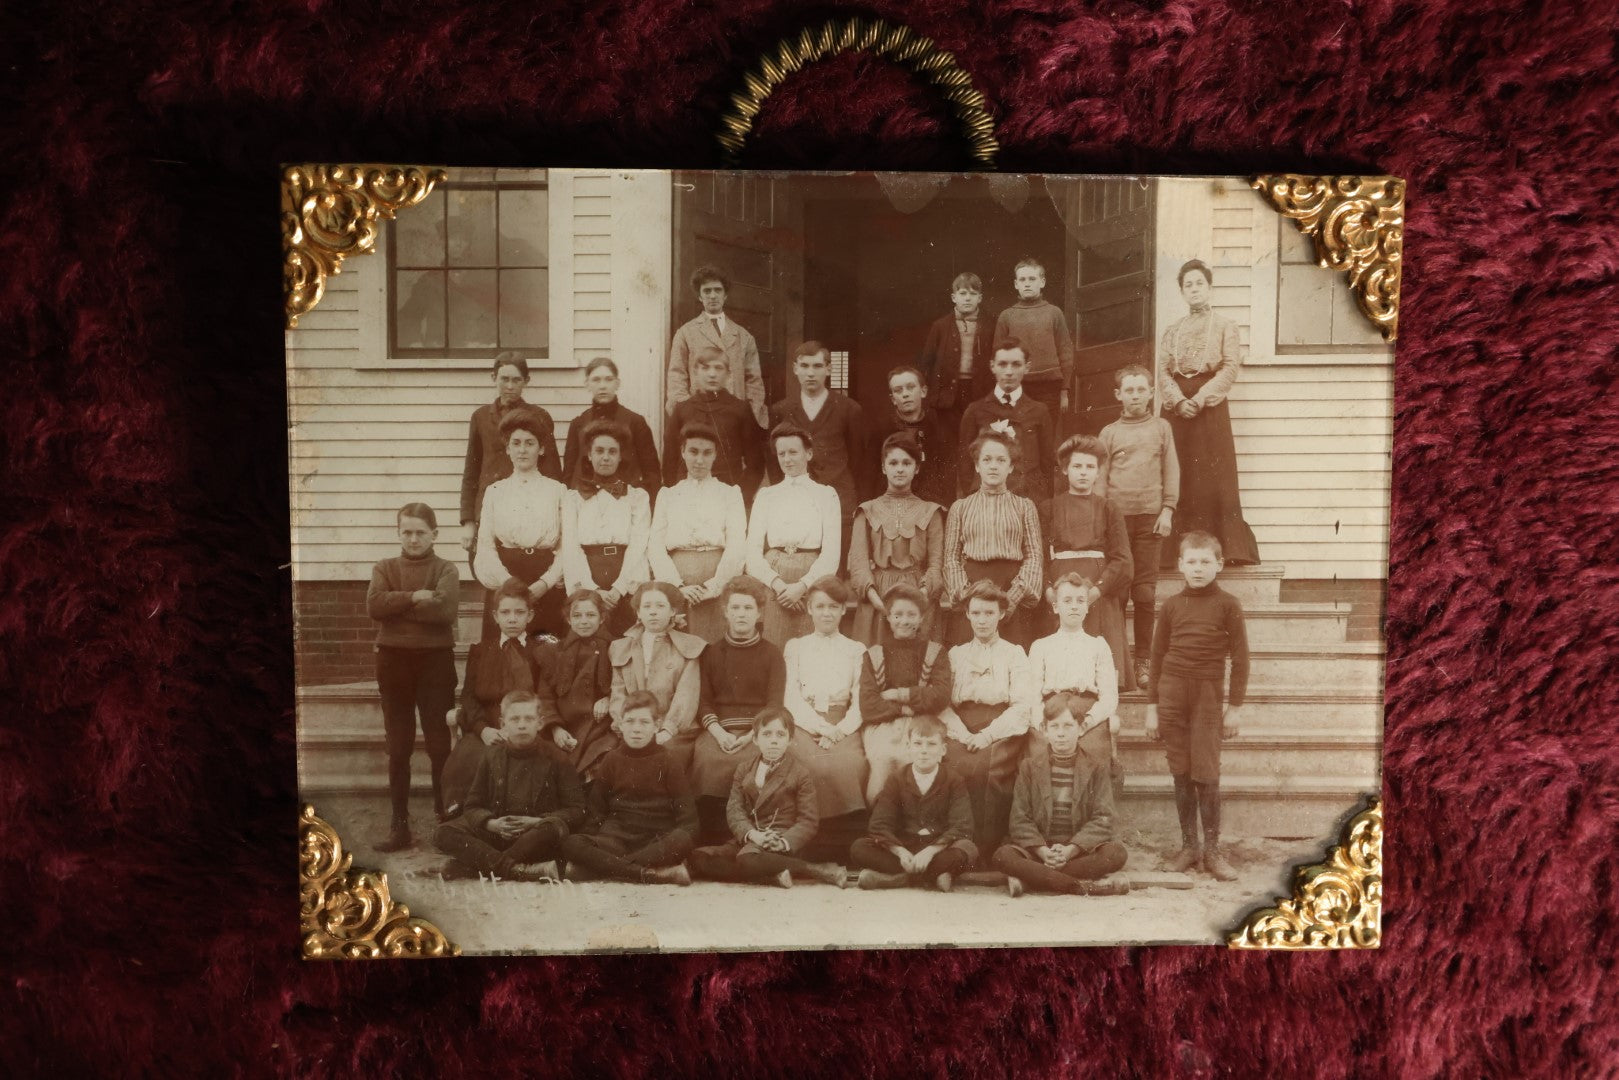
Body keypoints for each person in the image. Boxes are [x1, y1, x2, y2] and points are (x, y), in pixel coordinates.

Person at [1146, 531, 1250, 882]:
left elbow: (1241, 658)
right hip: (1172, 692)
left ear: (1219, 564)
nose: (1198, 568)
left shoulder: (1228, 605)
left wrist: (1234, 706)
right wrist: (1152, 707)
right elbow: (1157, 656)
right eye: (1191, 561)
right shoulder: (1172, 605)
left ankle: (1212, 850)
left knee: (1206, 773)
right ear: (1180, 565)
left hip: (1207, 694)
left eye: (1206, 561)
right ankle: (1189, 846)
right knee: (1180, 771)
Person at [367, 503, 460, 852]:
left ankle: (444, 818)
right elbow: (374, 606)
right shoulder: (385, 567)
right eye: (407, 531)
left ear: (434, 534)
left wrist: (399, 607)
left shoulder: (446, 568)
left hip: (435, 660)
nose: (414, 538)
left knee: (439, 744)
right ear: (398, 533)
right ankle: (399, 826)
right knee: (399, 745)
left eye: (421, 532)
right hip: (393, 661)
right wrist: (416, 597)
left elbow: (446, 610)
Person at [1158, 259, 1260, 567]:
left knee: (1213, 476)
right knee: (1178, 471)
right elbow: (1162, 370)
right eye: (1187, 285)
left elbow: (1229, 368)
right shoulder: (1172, 330)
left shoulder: (1226, 326)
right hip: (1177, 409)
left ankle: (1225, 549)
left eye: (1199, 283)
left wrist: (1200, 399)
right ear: (1182, 291)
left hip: (1209, 407)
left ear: (1209, 288)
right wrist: (1177, 401)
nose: (1194, 289)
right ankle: (1173, 552)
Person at [434, 690, 587, 881]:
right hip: (499, 832)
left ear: (539, 723)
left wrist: (536, 822)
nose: (522, 725)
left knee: (553, 828)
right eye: (515, 719)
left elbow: (577, 810)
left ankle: (477, 867)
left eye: (528, 719)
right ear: (502, 724)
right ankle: (521, 871)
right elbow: (472, 806)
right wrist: (491, 824)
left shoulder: (556, 758)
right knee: (444, 832)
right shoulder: (491, 756)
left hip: (534, 837)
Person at [689, 707, 847, 888]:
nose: (773, 741)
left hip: (778, 843)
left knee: (748, 860)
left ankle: (814, 869)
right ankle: (771, 877)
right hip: (751, 838)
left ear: (789, 740)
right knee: (697, 856)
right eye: (767, 734)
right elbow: (735, 810)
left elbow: (808, 821)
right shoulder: (744, 769)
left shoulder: (799, 773)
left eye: (780, 735)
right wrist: (753, 834)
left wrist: (783, 842)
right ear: (755, 739)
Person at [939, 580, 1038, 856]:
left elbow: (1021, 706)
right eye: (977, 613)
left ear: (1001, 615)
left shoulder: (1014, 654)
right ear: (967, 614)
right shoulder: (956, 655)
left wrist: (985, 736)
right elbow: (943, 705)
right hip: (962, 727)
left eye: (989, 613)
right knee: (952, 765)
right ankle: (954, 846)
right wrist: (962, 733)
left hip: (1001, 729)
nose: (982, 620)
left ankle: (984, 848)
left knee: (983, 769)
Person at [1097, 363, 1179, 689]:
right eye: (1128, 390)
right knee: (1116, 594)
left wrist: (1168, 509)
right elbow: (1100, 480)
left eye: (1140, 389)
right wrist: (1103, 519)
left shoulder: (1161, 429)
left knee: (1144, 594)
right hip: (1116, 523)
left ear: (1150, 392)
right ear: (1118, 395)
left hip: (1149, 520)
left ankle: (1144, 659)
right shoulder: (1109, 433)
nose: (1135, 395)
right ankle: (1117, 662)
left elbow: (1171, 470)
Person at [993, 699, 1129, 896]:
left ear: (1081, 728)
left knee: (1116, 854)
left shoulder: (1097, 768)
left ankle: (1031, 880)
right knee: (1002, 856)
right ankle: (1089, 887)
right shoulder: (1029, 767)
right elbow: (1019, 819)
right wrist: (1042, 851)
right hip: (1039, 850)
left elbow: (1103, 818)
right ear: (1044, 730)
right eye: (1054, 726)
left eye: (1068, 726)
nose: (1061, 733)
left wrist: (1070, 850)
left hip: (1077, 851)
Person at [560, 690, 697, 885]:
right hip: (616, 840)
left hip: (654, 841)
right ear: (621, 725)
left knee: (682, 839)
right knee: (571, 843)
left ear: (656, 726)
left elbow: (689, 822)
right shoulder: (612, 759)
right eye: (630, 721)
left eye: (644, 722)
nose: (636, 729)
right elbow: (596, 813)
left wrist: (595, 859)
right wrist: (589, 845)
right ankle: (652, 874)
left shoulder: (669, 760)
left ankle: (604, 868)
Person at [442, 579, 553, 818]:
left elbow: (546, 696)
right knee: (470, 756)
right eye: (505, 612)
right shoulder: (481, 651)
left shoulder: (541, 651)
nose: (512, 618)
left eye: (519, 612)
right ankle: (468, 815)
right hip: (488, 724)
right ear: (495, 616)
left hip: (526, 724)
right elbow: (469, 699)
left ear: (530, 616)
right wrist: (483, 730)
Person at [690, 575, 787, 840]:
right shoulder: (711, 652)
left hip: (758, 730)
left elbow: (775, 702)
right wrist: (719, 734)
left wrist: (751, 737)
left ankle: (757, 834)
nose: (741, 614)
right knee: (708, 760)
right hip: (718, 729)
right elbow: (704, 701)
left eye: (748, 608)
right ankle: (714, 837)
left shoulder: (772, 653)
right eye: (735, 608)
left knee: (757, 763)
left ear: (758, 613)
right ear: (725, 612)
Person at [1042, 435, 1134, 689]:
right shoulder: (1049, 507)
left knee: (1099, 671)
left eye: (1090, 467)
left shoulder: (1108, 508)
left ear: (1098, 472)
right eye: (1077, 466)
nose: (1083, 473)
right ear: (1064, 470)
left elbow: (1122, 559)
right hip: (1060, 591)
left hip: (1097, 590)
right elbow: (1038, 554)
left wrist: (1098, 590)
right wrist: (1047, 589)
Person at [849, 714, 977, 891]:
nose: (924, 750)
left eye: (931, 744)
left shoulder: (954, 780)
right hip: (905, 847)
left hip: (938, 848)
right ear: (908, 747)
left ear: (943, 750)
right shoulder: (897, 779)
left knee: (968, 849)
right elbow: (879, 825)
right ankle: (932, 876)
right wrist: (900, 852)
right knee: (859, 848)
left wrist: (931, 851)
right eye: (917, 744)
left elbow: (962, 826)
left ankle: (898, 880)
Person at [783, 576, 870, 834]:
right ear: (809, 608)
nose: (827, 613)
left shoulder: (855, 649)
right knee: (810, 764)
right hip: (804, 723)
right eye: (820, 606)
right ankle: (807, 834)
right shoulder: (796, 647)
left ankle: (842, 835)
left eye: (833, 607)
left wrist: (840, 730)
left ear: (844, 609)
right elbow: (790, 697)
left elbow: (861, 699)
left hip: (843, 723)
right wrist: (821, 728)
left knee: (851, 763)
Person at [459, 353, 562, 572]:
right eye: (504, 379)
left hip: (528, 509)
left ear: (527, 381)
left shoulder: (540, 416)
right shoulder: (480, 417)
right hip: (488, 508)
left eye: (516, 380)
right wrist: (468, 521)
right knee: (491, 570)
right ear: (493, 377)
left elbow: (552, 470)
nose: (510, 386)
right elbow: (471, 470)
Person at [472, 409, 569, 640]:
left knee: (546, 648)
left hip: (543, 579)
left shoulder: (558, 491)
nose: (522, 449)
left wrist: (545, 583)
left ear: (542, 448)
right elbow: (485, 545)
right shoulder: (495, 492)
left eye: (530, 443)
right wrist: (508, 584)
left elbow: (567, 545)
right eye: (516, 443)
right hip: (506, 577)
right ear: (507, 448)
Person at [648, 423, 750, 642]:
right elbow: (655, 546)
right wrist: (677, 586)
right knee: (678, 647)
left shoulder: (729, 494)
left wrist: (712, 587)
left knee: (713, 644)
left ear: (715, 456)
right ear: (683, 452)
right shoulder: (668, 495)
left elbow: (737, 546)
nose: (700, 460)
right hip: (676, 579)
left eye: (707, 453)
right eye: (693, 452)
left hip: (717, 579)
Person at [942, 430, 1044, 647]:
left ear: (1010, 467)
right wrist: (967, 596)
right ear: (977, 466)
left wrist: (1013, 597)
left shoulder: (1024, 506)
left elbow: (1034, 555)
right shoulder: (960, 508)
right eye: (986, 460)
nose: (993, 466)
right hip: (972, 587)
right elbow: (951, 558)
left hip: (1010, 586)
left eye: (1001, 460)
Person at [745, 423, 843, 645]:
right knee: (775, 644)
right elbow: (752, 553)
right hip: (773, 580)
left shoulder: (826, 495)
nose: (787, 459)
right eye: (781, 454)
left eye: (793, 452)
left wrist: (802, 587)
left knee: (810, 645)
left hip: (812, 578)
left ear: (808, 453)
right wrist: (780, 587)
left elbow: (831, 554)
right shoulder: (767, 495)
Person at [767, 341, 866, 554]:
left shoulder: (849, 409)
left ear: (829, 369)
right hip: (797, 502)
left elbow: (859, 461)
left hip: (839, 500)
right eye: (804, 366)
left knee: (836, 571)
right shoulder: (781, 410)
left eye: (817, 366)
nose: (810, 373)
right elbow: (774, 462)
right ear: (795, 369)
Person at [848, 432, 946, 645]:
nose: (900, 469)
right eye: (893, 463)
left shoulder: (931, 512)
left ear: (916, 468)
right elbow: (858, 564)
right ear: (884, 468)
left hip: (919, 598)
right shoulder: (867, 510)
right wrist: (878, 602)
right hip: (878, 597)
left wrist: (919, 598)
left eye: (906, 463)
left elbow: (937, 564)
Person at [857, 584, 951, 802]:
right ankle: (880, 825)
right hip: (882, 724)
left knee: (916, 758)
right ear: (888, 618)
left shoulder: (935, 652)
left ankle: (913, 826)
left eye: (911, 615)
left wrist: (900, 694)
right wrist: (911, 705)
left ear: (921, 618)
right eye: (897, 615)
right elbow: (869, 706)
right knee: (883, 759)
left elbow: (940, 696)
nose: (904, 621)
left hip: (924, 722)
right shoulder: (874, 655)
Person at [560, 420, 651, 637]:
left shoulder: (637, 497)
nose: (606, 457)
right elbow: (571, 545)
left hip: (624, 576)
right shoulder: (573, 498)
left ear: (621, 456)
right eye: (599, 451)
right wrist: (593, 592)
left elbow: (639, 545)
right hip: (589, 574)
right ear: (589, 455)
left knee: (625, 641)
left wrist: (618, 589)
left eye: (612, 451)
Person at [608, 581, 706, 756]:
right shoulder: (621, 647)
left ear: (672, 611)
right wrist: (627, 727)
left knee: (663, 756)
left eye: (660, 606)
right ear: (638, 612)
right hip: (632, 729)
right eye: (646, 606)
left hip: (673, 732)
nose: (653, 611)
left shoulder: (689, 647)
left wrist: (667, 730)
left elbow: (686, 696)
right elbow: (618, 694)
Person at [956, 340, 1057, 504]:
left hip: (1029, 499)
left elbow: (1047, 464)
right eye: (1002, 364)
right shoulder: (975, 411)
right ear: (992, 366)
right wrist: (973, 497)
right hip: (987, 500)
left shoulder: (1039, 411)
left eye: (1016, 364)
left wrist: (1044, 502)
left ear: (1027, 367)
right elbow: (965, 463)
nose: (1009, 371)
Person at [666, 265, 768, 427]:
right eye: (707, 291)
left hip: (735, 420)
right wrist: (687, 414)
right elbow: (676, 377)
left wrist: (749, 416)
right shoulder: (685, 333)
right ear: (699, 296)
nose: (712, 296)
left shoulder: (744, 336)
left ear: (725, 295)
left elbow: (754, 382)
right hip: (699, 419)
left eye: (717, 290)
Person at [533, 589, 617, 782]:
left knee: (605, 754)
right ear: (569, 619)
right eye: (577, 616)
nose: (584, 621)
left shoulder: (615, 648)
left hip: (600, 725)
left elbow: (625, 684)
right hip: (565, 723)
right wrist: (555, 729)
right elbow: (545, 697)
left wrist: (609, 698)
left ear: (602, 618)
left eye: (590, 615)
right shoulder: (553, 652)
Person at [1028, 574, 1120, 747]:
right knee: (1040, 755)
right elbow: (1032, 694)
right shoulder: (1040, 647)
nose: (1074, 607)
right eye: (1067, 601)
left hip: (1086, 713)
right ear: (1056, 607)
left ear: (1087, 607)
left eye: (1080, 601)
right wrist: (1042, 723)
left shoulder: (1098, 645)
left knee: (1091, 752)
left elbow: (1109, 696)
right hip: (1051, 713)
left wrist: (1089, 721)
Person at [662, 348, 766, 502]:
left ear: (729, 374)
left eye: (718, 368)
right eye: (705, 368)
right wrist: (676, 494)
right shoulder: (682, 409)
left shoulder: (740, 409)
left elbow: (756, 464)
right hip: (687, 496)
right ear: (695, 371)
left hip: (726, 496)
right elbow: (669, 460)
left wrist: (739, 497)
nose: (712, 374)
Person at [562, 357, 662, 498]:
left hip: (624, 500)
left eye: (608, 379)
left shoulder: (635, 422)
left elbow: (651, 473)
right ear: (587, 384)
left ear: (617, 383)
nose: (602, 386)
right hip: (586, 500)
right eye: (596, 380)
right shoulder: (578, 424)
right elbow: (569, 473)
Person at [992, 259, 1074, 423]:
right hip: (1017, 385)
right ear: (1016, 284)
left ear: (1042, 282)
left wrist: (1064, 390)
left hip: (1049, 387)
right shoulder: (1007, 316)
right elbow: (997, 355)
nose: (1027, 284)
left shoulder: (1054, 313)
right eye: (1022, 280)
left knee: (1045, 434)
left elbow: (1065, 352)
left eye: (1032, 279)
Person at [867, 365, 957, 509]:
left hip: (932, 503)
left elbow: (947, 472)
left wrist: (945, 504)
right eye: (898, 390)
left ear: (923, 391)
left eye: (910, 387)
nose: (905, 394)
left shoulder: (939, 426)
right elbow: (870, 473)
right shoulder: (881, 429)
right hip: (891, 504)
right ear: (893, 399)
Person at [916, 271, 991, 418]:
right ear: (954, 297)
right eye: (962, 293)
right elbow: (927, 363)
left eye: (973, 294)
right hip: (948, 394)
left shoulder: (989, 326)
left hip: (978, 391)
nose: (968, 298)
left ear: (980, 298)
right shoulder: (941, 326)